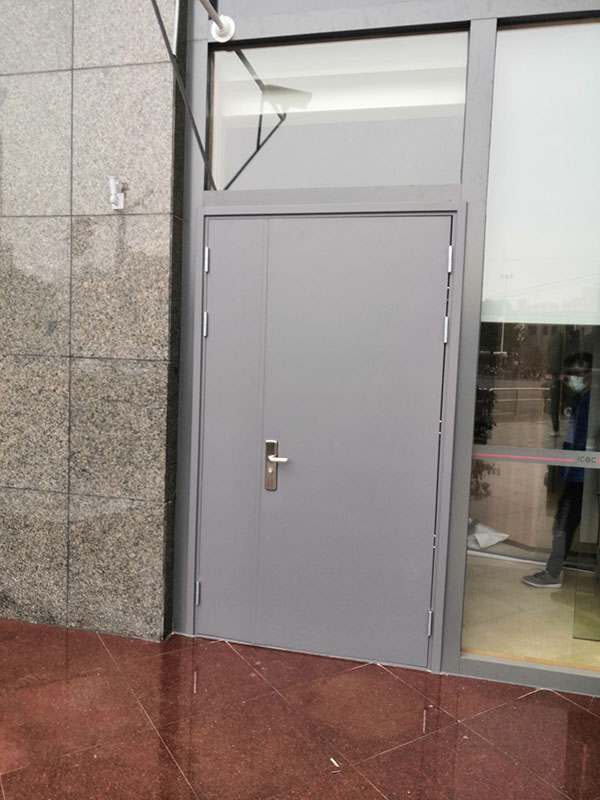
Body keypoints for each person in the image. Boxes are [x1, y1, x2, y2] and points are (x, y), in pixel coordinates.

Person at [522, 352, 592, 588]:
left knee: (562, 523)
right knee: (563, 522)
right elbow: (572, 437)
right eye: (568, 374)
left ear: (591, 375)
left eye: (577, 373)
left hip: (586, 475)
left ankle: (552, 574)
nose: (572, 378)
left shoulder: (594, 403)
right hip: (575, 472)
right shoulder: (579, 400)